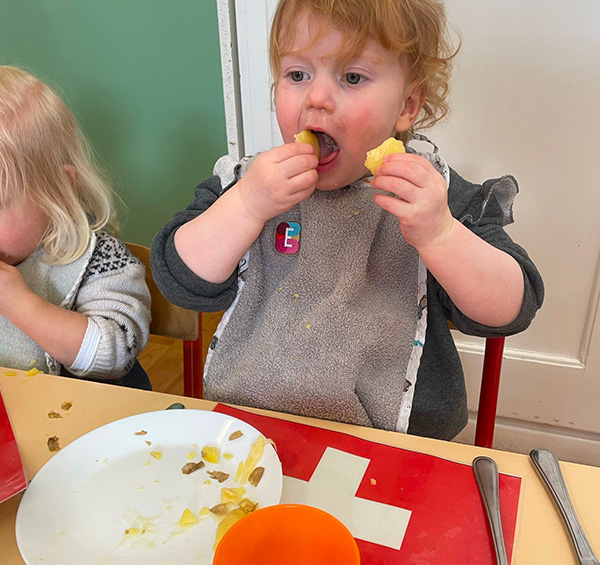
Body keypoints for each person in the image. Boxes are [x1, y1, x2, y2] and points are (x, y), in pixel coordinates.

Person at [151, 0, 544, 439]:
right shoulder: (251, 186)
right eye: (297, 75)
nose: (316, 98)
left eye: (352, 77)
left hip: (394, 445)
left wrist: (441, 234)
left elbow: (512, 307)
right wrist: (245, 206)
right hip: (251, 428)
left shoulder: (433, 195)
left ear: (407, 106)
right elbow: (180, 279)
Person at [0, 66, 152, 389]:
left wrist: (19, 303)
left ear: (59, 192)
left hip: (89, 427)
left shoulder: (100, 260)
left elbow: (117, 353)